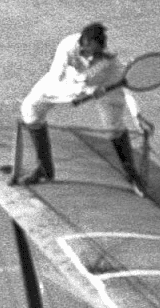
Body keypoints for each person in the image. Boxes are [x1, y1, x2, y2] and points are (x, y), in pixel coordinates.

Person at [17, 22, 141, 189]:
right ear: (84, 42)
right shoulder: (67, 46)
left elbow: (126, 85)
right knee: (30, 108)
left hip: (105, 84)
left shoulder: (110, 59)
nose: (91, 57)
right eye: (90, 51)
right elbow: (55, 80)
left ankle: (132, 174)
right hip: (69, 83)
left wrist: (137, 115)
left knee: (114, 127)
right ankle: (44, 169)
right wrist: (84, 90)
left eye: (97, 53)